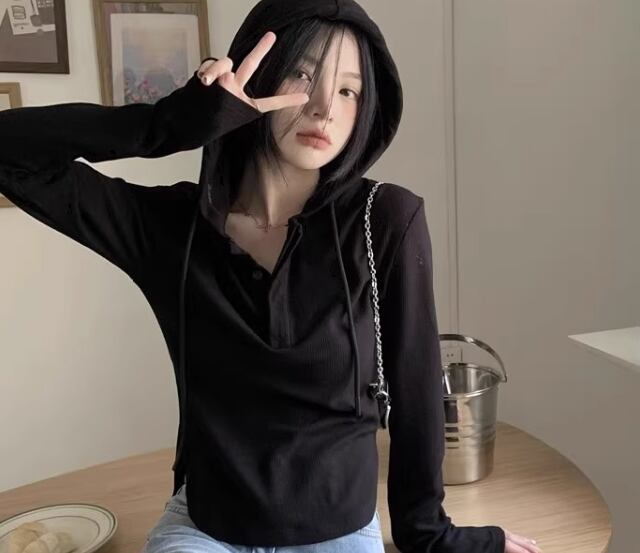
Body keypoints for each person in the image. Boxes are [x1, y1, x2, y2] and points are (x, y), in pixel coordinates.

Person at [0, 0, 541, 552]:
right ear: (255, 77)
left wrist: (430, 535)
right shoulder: (171, 228)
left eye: (349, 90)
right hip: (205, 528)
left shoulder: (385, 221)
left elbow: (416, 393)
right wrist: (167, 125)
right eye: (303, 75)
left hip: (337, 530)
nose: (325, 108)